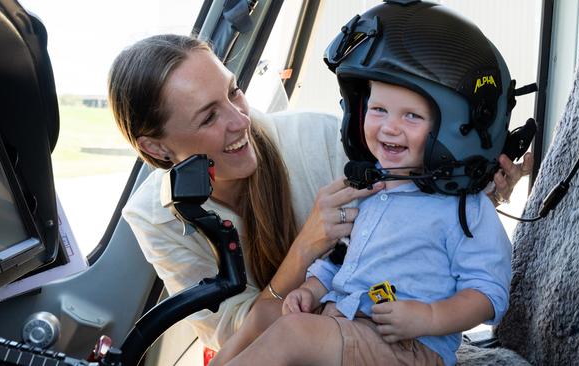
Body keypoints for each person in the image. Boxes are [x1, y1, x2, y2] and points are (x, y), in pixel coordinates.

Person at [107, 28, 531, 355]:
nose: (240, 120)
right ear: (156, 147)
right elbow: (239, 338)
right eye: (208, 117)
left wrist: (484, 193)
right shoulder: (155, 217)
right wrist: (306, 249)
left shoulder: (321, 139)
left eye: (234, 90)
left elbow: (421, 224)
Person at [212, 1, 530, 365]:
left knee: (292, 334)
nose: (389, 127)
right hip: (344, 325)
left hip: (410, 348)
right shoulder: (371, 191)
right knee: (277, 319)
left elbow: (488, 293)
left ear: (453, 127)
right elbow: (341, 260)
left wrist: (428, 318)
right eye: (378, 110)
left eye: (411, 115)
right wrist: (310, 290)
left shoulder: (466, 211)